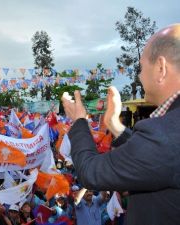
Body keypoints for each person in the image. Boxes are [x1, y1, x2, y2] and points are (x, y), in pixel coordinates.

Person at [61, 24, 180, 225]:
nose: (139, 76)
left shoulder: (166, 134)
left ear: (161, 68)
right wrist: (114, 125)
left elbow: (91, 172)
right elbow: (155, 158)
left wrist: (79, 121)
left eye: (141, 68)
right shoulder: (167, 134)